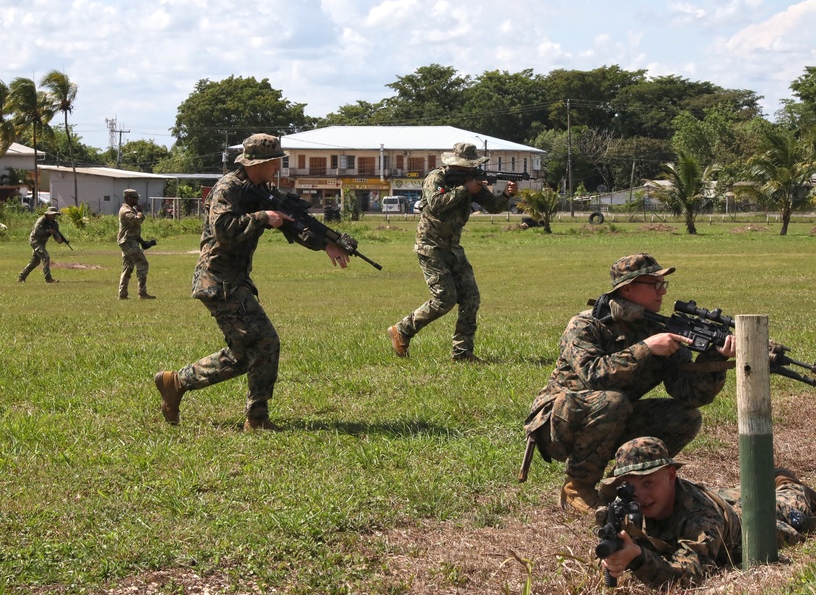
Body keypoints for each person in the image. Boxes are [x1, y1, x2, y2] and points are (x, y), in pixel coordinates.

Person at [153, 134, 351, 432]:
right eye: (275, 162)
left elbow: (292, 223)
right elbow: (224, 230)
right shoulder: (228, 188)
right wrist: (262, 217)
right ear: (260, 162)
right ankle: (255, 419)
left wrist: (326, 244)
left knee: (249, 353)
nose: (278, 168)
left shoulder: (260, 190)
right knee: (266, 342)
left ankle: (177, 382)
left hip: (234, 280)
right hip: (217, 280)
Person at [523, 253, 736, 514]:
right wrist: (646, 349)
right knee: (613, 401)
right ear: (628, 288)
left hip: (613, 417)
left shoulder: (657, 329)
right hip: (557, 423)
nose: (662, 292)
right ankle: (577, 487)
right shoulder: (586, 323)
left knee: (685, 417)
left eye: (663, 285)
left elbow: (690, 394)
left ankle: (619, 485)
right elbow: (593, 374)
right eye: (654, 284)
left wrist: (715, 357)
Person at [597, 437, 816, 589]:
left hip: (736, 524)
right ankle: (752, 485)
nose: (639, 495)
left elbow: (690, 576)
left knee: (792, 511)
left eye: (648, 483)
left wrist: (637, 557)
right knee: (734, 494)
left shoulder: (701, 517)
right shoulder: (626, 504)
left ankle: (782, 481)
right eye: (630, 486)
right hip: (716, 498)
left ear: (670, 475)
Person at [387, 142, 518, 362]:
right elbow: (435, 203)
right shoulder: (436, 178)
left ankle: (462, 353)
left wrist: (506, 194)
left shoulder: (470, 182)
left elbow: (493, 206)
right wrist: (465, 189)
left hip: (453, 248)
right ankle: (402, 330)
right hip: (431, 247)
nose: (471, 171)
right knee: (445, 298)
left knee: (470, 298)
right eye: (467, 167)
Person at [117, 188, 155, 300]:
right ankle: (142, 293)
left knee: (128, 267)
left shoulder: (131, 210)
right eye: (135, 198)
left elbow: (133, 230)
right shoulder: (125, 211)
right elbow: (136, 221)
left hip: (130, 240)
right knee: (143, 264)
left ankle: (122, 294)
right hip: (128, 242)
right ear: (128, 198)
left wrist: (143, 242)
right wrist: (140, 213)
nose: (137, 199)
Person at [17, 206, 65, 284]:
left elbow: (56, 233)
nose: (53, 216)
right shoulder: (41, 221)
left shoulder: (54, 223)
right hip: (35, 241)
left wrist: (58, 239)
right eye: (52, 214)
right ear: (48, 214)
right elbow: (36, 232)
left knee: (35, 262)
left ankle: (21, 277)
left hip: (42, 242)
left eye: (55, 215)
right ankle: (48, 278)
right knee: (45, 257)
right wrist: (48, 231)